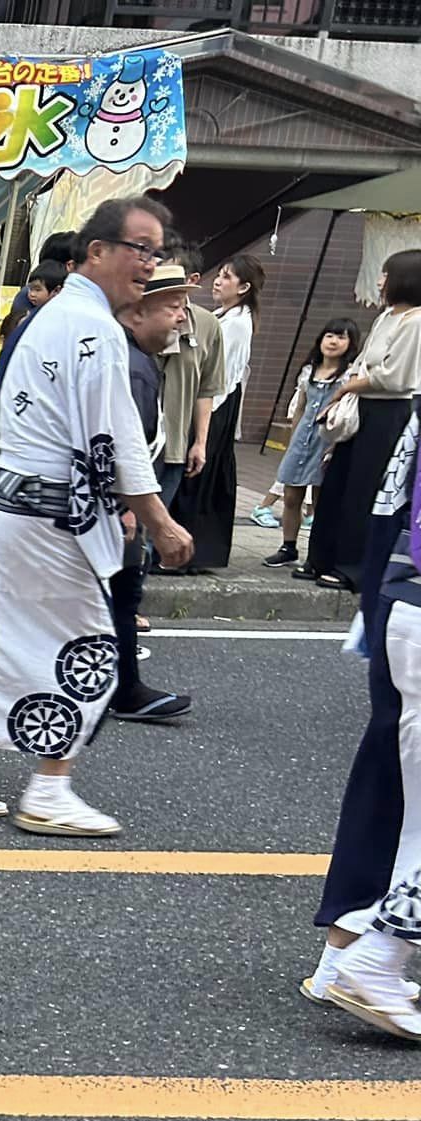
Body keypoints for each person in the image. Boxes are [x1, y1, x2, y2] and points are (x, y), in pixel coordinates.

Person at [0, 197, 194, 835]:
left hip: (10, 509)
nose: (150, 264)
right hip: (53, 520)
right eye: (141, 249)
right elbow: (115, 440)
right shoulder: (93, 328)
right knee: (89, 647)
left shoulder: (47, 317)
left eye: (156, 252)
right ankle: (49, 788)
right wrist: (158, 520)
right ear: (97, 251)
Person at [305, 404, 421, 1033]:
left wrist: (373, 608)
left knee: (392, 793)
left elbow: (389, 503)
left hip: (403, 598)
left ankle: (346, 953)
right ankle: (377, 957)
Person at [111, 262, 201, 724]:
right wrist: (131, 510)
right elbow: (118, 448)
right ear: (136, 312)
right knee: (120, 594)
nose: (182, 317)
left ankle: (116, 687)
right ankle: (121, 690)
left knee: (114, 597)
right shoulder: (133, 368)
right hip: (110, 508)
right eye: (173, 307)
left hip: (109, 506)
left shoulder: (134, 360)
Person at [302, 249, 421, 597]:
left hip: (389, 413)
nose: (380, 281)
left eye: (386, 274)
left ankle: (351, 567)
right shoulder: (387, 316)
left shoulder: (415, 322)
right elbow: (364, 363)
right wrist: (352, 384)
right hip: (363, 405)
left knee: (364, 489)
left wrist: (345, 389)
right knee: (337, 482)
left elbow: (394, 377)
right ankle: (321, 558)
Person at [166, 251, 261, 572]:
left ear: (244, 287)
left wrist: (201, 427)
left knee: (199, 479)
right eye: (219, 274)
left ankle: (191, 553)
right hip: (211, 403)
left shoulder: (237, 323)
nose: (218, 282)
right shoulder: (223, 315)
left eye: (227, 277)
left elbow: (223, 377)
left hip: (216, 405)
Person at [259, 320, 363, 567]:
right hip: (302, 440)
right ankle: (288, 547)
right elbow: (301, 408)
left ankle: (318, 554)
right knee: (291, 496)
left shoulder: (349, 375)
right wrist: (293, 438)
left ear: (351, 344)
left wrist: (336, 445)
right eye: (329, 335)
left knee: (321, 501)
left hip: (327, 442)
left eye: (341, 337)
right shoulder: (309, 371)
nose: (333, 341)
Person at [149, 241, 225, 529]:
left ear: (192, 280)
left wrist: (200, 443)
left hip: (174, 445)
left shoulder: (207, 325)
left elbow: (206, 390)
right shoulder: (136, 317)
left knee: (154, 529)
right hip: (137, 443)